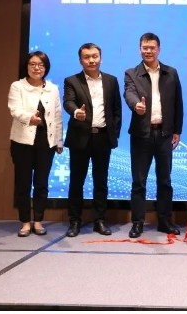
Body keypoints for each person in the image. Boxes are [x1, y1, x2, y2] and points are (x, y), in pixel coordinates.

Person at [124, 33, 184, 238]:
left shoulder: (171, 73)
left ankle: (165, 221)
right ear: (139, 49)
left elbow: (178, 103)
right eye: (144, 47)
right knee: (139, 181)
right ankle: (137, 223)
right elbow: (129, 93)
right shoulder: (132, 73)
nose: (148, 51)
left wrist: (177, 130)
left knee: (165, 180)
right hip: (142, 134)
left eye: (152, 47)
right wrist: (136, 105)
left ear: (159, 49)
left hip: (165, 134)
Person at [63, 43, 122, 237]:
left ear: (100, 58)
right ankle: (75, 221)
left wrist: (114, 133)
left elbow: (116, 110)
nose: (91, 60)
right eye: (87, 57)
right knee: (76, 181)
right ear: (80, 60)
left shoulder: (111, 81)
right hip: (80, 137)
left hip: (103, 137)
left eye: (95, 56)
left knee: (101, 181)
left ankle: (100, 220)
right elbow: (68, 102)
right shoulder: (72, 81)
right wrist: (75, 112)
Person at [7, 51, 63, 237]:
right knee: (23, 183)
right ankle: (25, 222)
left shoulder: (53, 88)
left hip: (46, 142)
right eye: (32, 64)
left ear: (46, 68)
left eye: (41, 65)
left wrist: (59, 140)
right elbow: (14, 109)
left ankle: (38, 220)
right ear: (27, 66)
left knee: (41, 183)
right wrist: (29, 118)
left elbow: (57, 116)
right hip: (22, 141)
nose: (37, 68)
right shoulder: (18, 86)